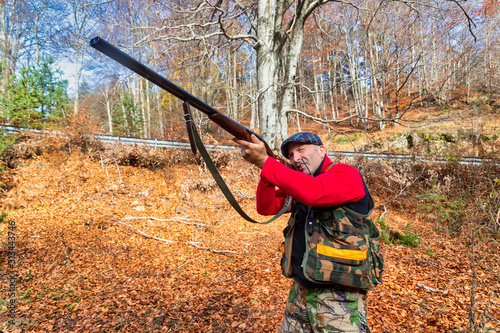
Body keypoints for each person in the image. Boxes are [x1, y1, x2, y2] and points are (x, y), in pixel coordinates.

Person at [233, 132, 383, 333]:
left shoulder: (346, 175)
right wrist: (266, 170)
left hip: (339, 299)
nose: (295, 158)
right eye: (291, 155)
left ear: (321, 150)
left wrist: (267, 162)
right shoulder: (301, 184)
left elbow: (315, 192)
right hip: (300, 292)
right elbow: (267, 207)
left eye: (300, 150)